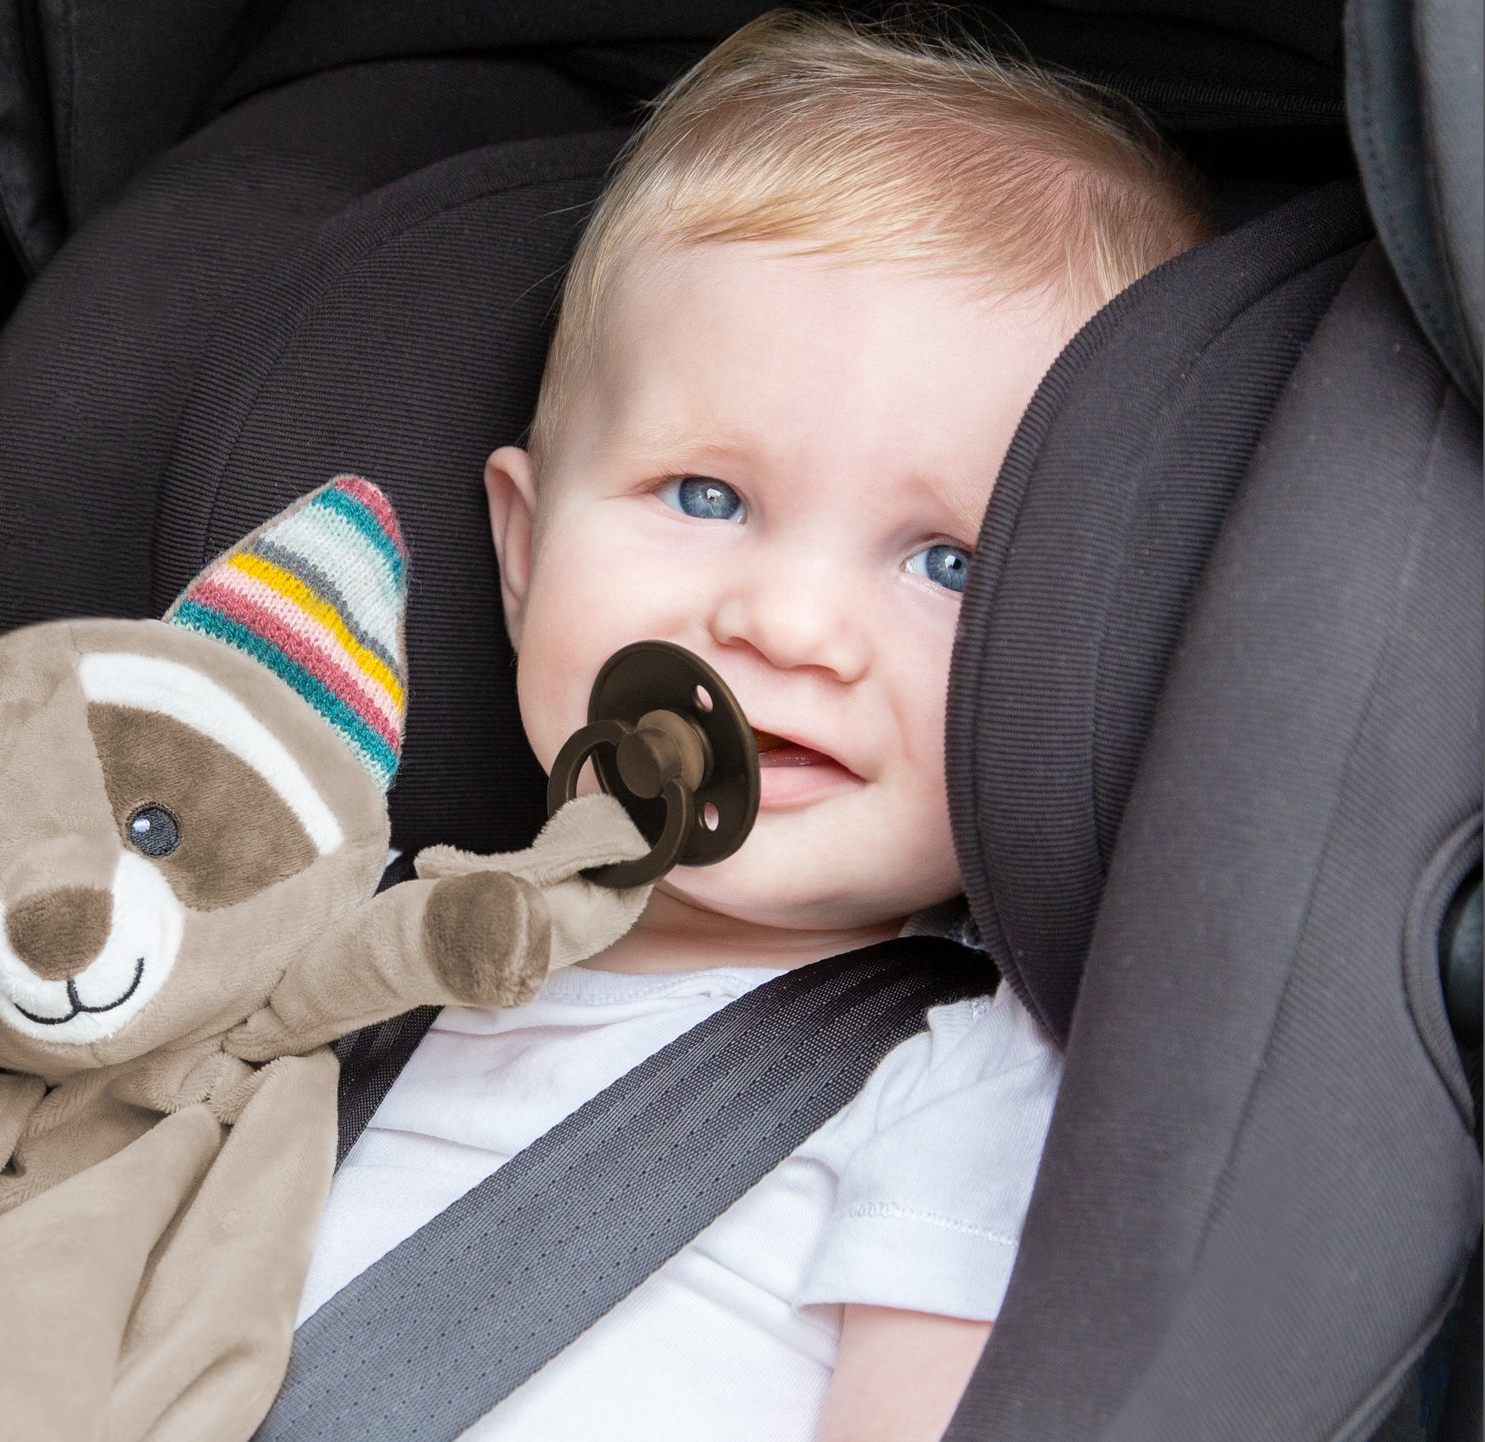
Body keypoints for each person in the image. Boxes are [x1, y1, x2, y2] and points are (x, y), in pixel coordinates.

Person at [296, 12, 1213, 1441]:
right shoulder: (368, 950)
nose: (783, 626)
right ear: (524, 550)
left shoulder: (965, 1082)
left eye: (947, 561)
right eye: (704, 496)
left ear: (1068, 662)